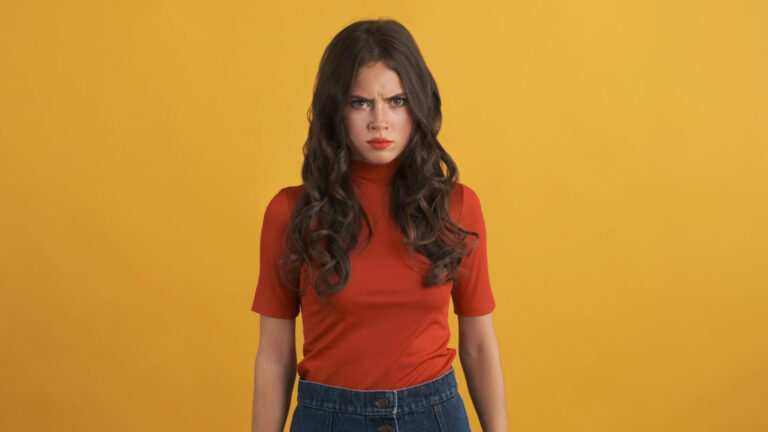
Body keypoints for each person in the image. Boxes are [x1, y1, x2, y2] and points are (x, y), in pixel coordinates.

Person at [251, 18, 507, 432]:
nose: (380, 121)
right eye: (360, 103)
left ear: (418, 105)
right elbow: (274, 356)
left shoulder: (457, 207)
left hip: (434, 416)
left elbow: (478, 345)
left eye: (397, 101)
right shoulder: (291, 213)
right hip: (326, 418)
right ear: (336, 109)